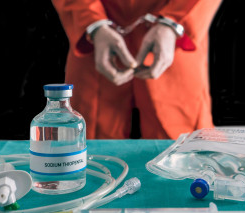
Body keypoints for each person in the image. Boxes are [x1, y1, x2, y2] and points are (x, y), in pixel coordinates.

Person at [51, 0, 222, 139]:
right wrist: (91, 22)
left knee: (183, 145)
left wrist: (174, 23)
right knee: (89, 146)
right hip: (97, 38)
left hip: (173, 37)